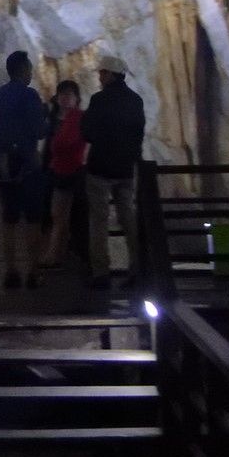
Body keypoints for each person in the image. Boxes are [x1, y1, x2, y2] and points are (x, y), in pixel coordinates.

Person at [0, 51, 49, 289]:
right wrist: (46, 117)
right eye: (29, 69)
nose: (31, 73)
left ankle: (11, 271)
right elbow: (39, 132)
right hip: (28, 165)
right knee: (33, 220)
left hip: (4, 167)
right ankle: (33, 271)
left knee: (9, 220)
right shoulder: (30, 96)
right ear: (23, 70)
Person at [80, 54, 145, 289]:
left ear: (109, 74)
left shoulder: (99, 100)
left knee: (99, 221)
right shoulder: (135, 100)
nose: (99, 77)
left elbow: (87, 132)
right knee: (129, 219)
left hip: (100, 169)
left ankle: (101, 273)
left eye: (101, 73)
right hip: (126, 169)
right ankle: (138, 268)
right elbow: (139, 133)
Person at [41, 80, 86, 270]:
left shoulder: (81, 118)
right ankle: (58, 253)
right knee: (57, 214)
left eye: (69, 95)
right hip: (56, 170)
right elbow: (47, 146)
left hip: (76, 170)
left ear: (77, 99)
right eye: (62, 95)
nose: (66, 99)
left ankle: (63, 253)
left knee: (71, 214)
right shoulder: (51, 119)